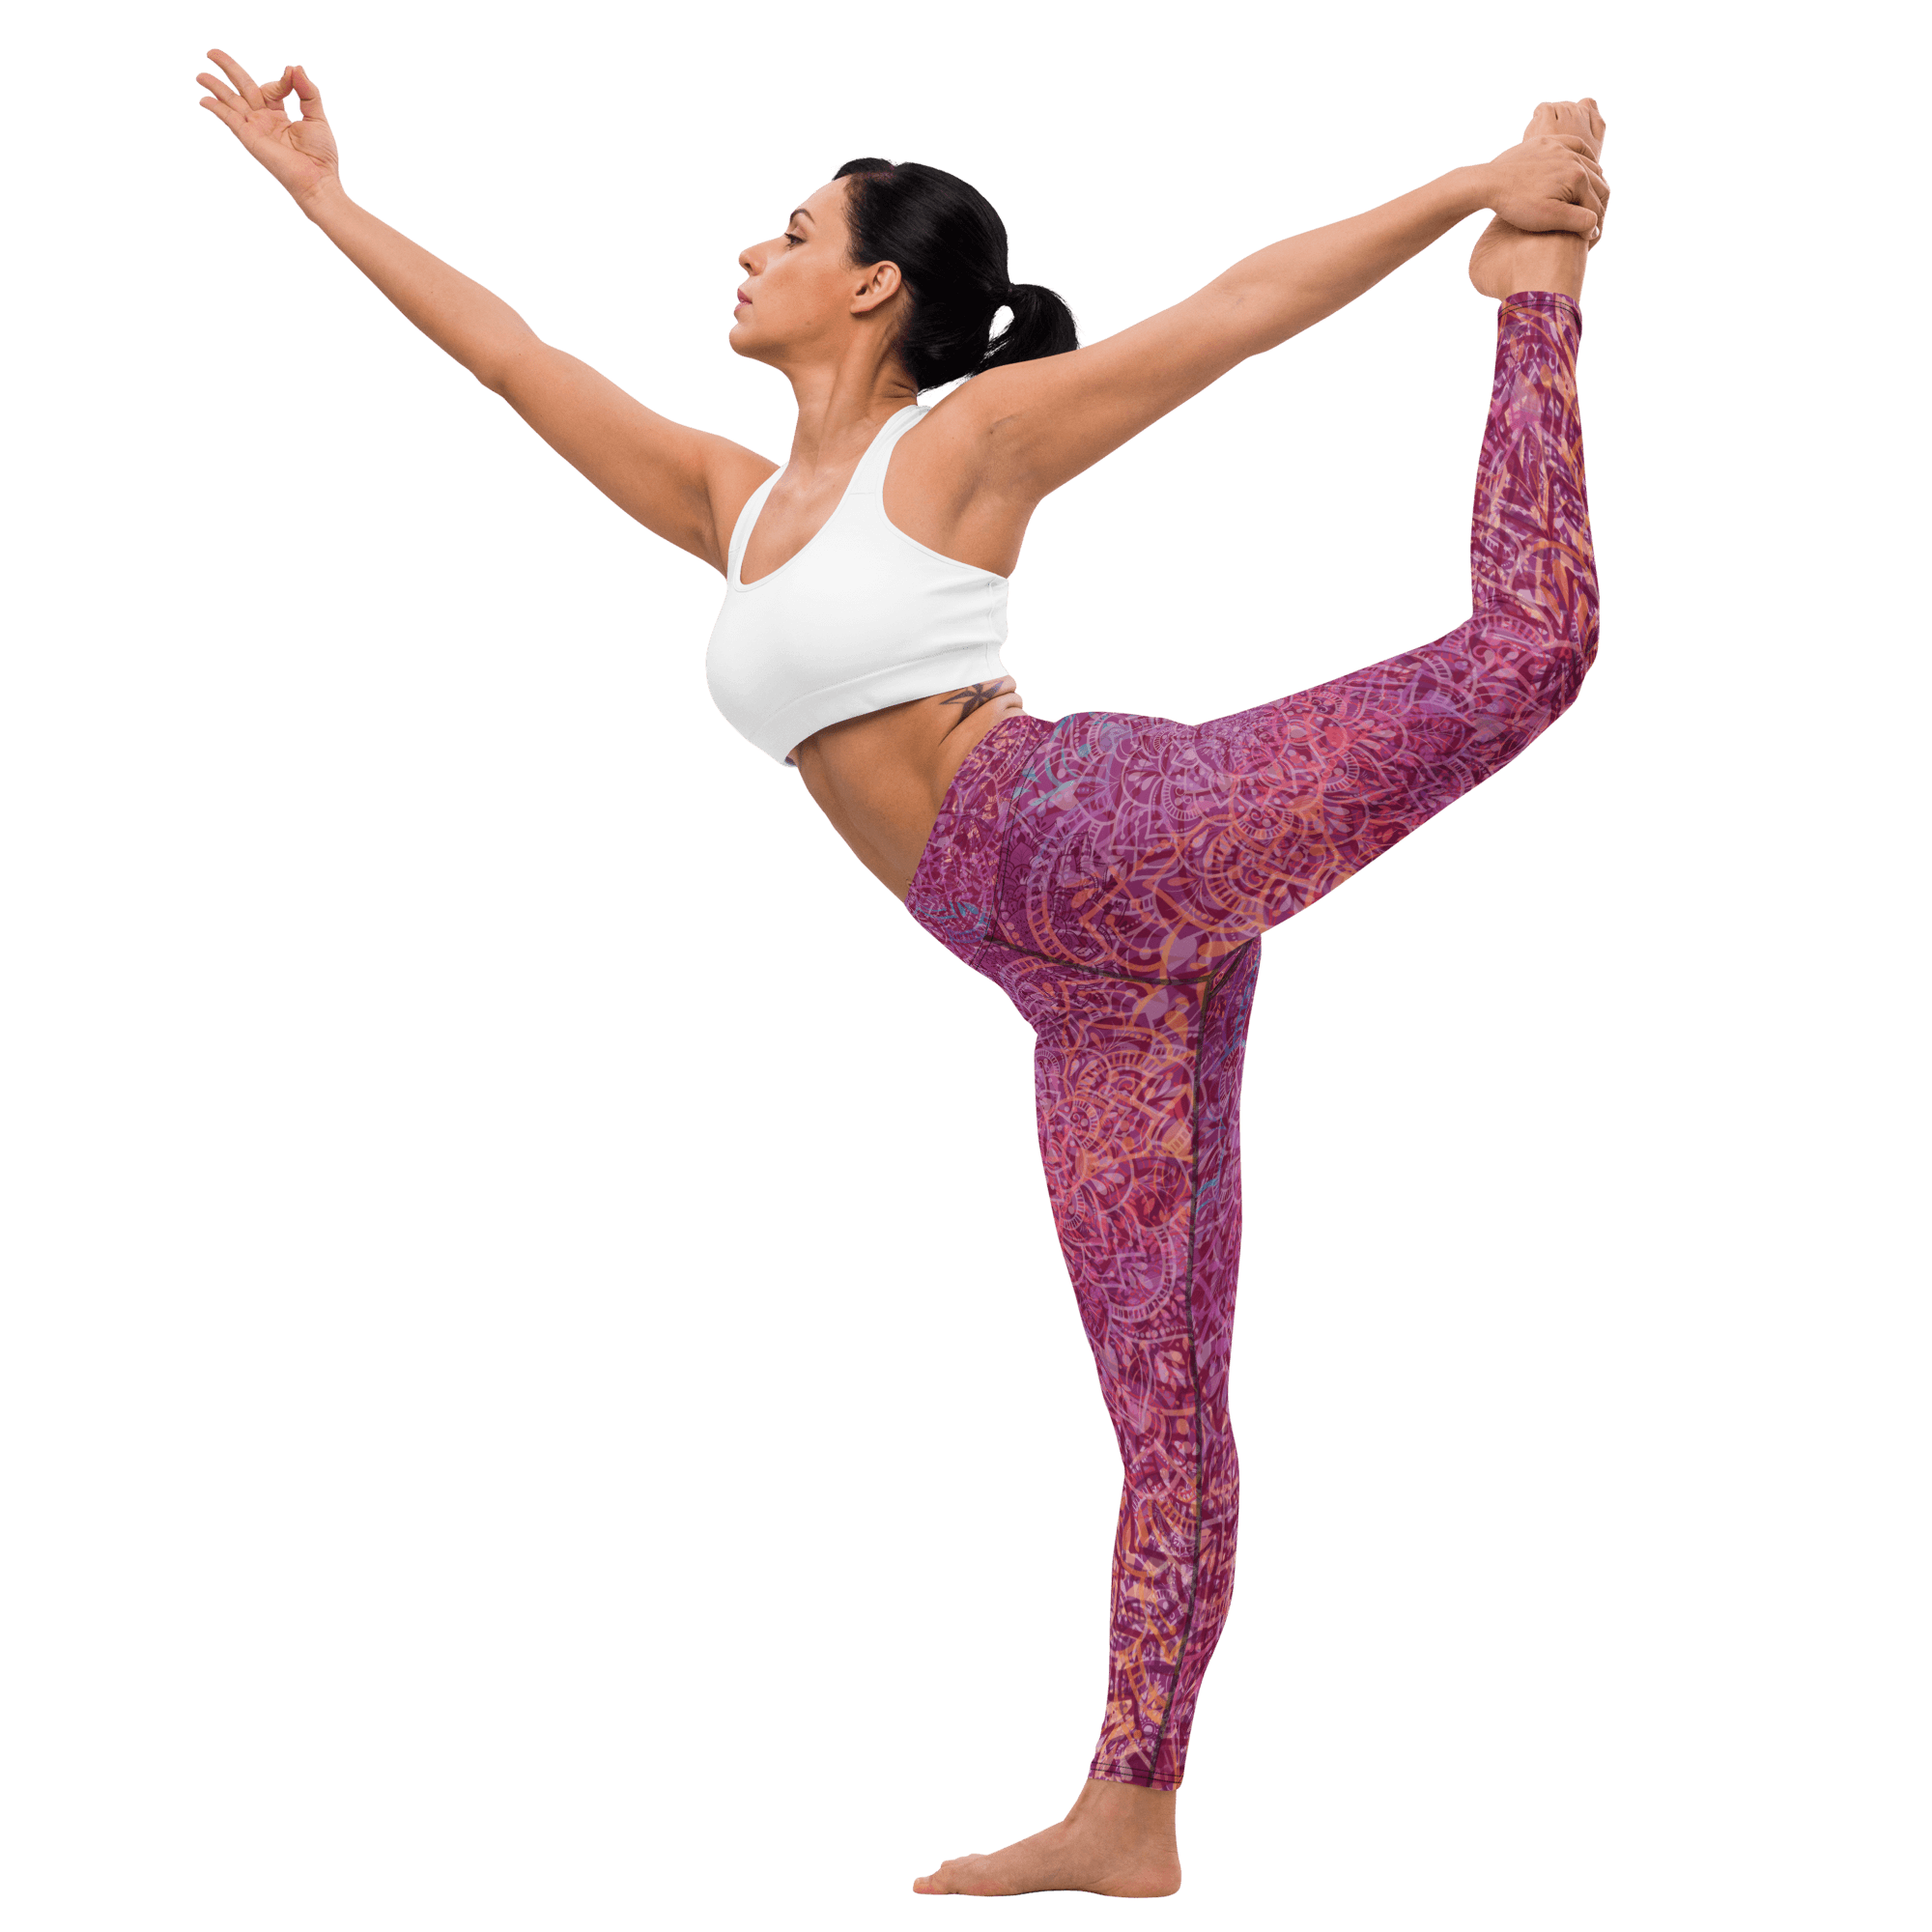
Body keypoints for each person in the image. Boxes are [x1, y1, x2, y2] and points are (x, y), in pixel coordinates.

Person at [195, 51, 1609, 1899]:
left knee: (1529, 650)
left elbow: (1235, 310)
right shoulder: (730, 504)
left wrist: (1468, 196)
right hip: (1069, 987)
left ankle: (1538, 291)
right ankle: (1133, 1813)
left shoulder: (958, 447)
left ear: (873, 283)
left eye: (788, 230)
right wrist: (329, 201)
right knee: (1164, 1400)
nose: (748, 250)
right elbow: (512, 359)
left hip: (1102, 836)